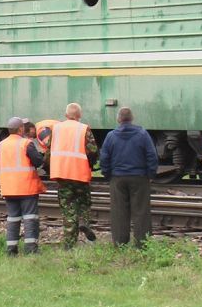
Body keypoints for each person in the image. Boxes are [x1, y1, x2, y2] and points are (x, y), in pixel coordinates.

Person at [100, 107, 159, 247]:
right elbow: (152, 156)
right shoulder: (142, 134)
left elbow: (104, 158)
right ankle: (142, 243)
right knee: (141, 212)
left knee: (119, 211)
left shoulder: (111, 136)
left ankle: (120, 243)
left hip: (117, 178)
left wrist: (107, 174)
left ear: (118, 119)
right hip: (139, 177)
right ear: (132, 118)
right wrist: (151, 174)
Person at [49, 103, 99, 248]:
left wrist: (49, 166)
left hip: (61, 174)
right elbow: (92, 150)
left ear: (66, 115)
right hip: (80, 173)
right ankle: (84, 221)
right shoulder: (84, 129)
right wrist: (91, 164)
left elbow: (48, 151)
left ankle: (69, 245)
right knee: (84, 201)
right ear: (80, 116)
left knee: (68, 208)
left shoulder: (56, 128)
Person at [0, 116, 46, 255]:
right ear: (20, 129)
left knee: (13, 218)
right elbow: (38, 162)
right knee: (30, 218)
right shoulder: (26, 143)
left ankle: (11, 250)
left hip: (8, 189)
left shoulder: (1, 145)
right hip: (26, 187)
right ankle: (31, 249)